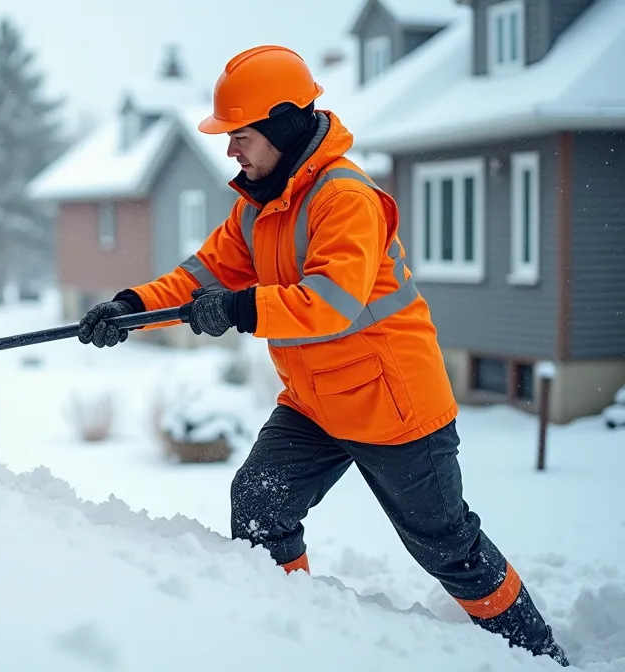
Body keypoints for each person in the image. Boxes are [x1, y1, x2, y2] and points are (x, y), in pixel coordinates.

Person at [76, 45, 569, 666]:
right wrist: (129, 307)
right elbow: (204, 274)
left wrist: (239, 309)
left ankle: (538, 653)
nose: (231, 150)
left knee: (447, 546)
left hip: (393, 405)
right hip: (315, 402)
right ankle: (291, 631)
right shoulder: (257, 206)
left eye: (242, 135)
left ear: (282, 126)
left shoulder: (345, 199)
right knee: (260, 503)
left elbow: (330, 302)